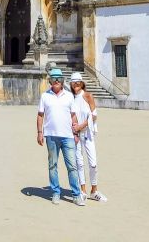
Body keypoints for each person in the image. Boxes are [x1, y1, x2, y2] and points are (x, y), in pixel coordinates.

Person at [37, 68, 85, 206]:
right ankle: (56, 192)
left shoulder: (69, 96)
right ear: (50, 81)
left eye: (58, 78)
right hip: (51, 135)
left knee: (72, 166)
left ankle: (76, 195)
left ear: (63, 81)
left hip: (68, 136)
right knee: (53, 165)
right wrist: (40, 132)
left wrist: (75, 132)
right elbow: (40, 115)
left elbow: (73, 115)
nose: (56, 80)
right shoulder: (45, 96)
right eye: (54, 78)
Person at [70, 72, 107, 201]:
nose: (76, 84)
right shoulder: (70, 98)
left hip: (88, 134)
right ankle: (83, 190)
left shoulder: (87, 96)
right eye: (73, 82)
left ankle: (94, 190)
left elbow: (94, 114)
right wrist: (75, 129)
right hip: (75, 136)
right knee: (79, 164)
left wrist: (82, 125)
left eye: (78, 82)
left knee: (93, 164)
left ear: (82, 83)